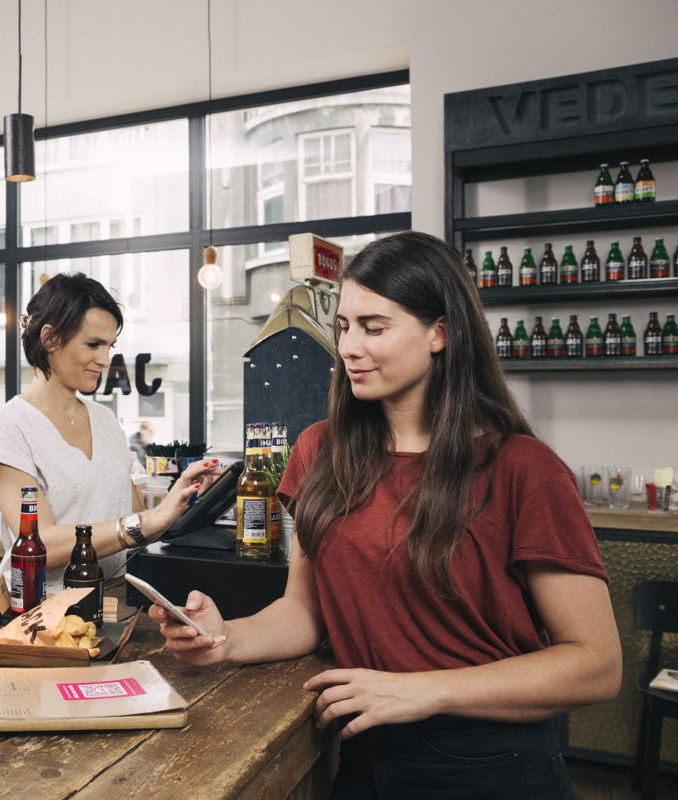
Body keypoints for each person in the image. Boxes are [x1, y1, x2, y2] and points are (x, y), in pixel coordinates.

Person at [150, 232, 620, 798]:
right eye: (344, 326)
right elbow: (305, 610)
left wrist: (425, 690)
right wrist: (227, 638)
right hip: (366, 753)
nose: (349, 346)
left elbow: (596, 665)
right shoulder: (319, 450)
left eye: (375, 327)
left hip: (493, 764)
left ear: (439, 333)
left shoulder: (525, 469)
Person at [0, 272, 222, 592]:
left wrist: (184, 500)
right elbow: (40, 545)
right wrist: (148, 520)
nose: (104, 359)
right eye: (93, 344)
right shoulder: (8, 429)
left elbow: (136, 522)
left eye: (110, 345)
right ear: (49, 338)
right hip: (41, 610)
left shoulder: (106, 421)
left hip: (116, 597)